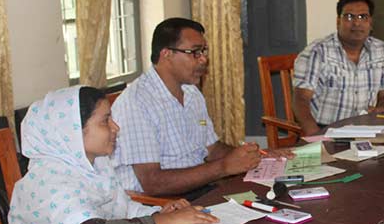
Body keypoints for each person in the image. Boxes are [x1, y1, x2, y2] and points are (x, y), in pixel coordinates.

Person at [7, 86, 218, 224]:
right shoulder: (48, 182)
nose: (115, 127)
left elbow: (122, 207)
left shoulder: (95, 164)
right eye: (105, 121)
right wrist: (166, 222)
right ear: (71, 131)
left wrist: (159, 213)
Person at [112, 18, 274, 198]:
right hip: (160, 203)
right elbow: (152, 183)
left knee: (269, 200)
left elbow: (212, 149)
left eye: (204, 51)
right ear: (167, 54)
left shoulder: (191, 93)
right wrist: (223, 167)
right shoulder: (136, 102)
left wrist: (257, 156)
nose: (204, 59)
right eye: (195, 52)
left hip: (200, 189)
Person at [292, 0, 384, 135]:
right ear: (338, 21)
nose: (356, 23)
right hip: (326, 130)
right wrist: (316, 137)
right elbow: (301, 99)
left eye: (363, 17)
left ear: (370, 22)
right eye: (349, 16)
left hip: (364, 130)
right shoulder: (317, 52)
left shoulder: (382, 50)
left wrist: (379, 110)